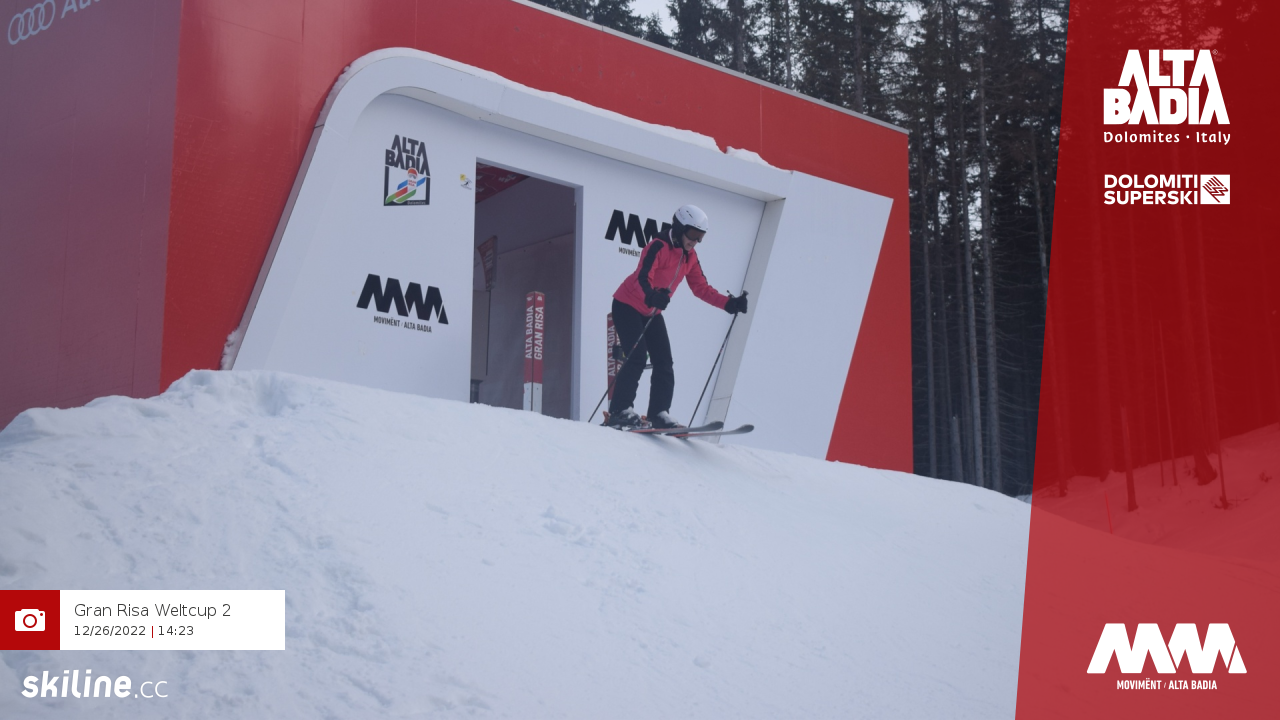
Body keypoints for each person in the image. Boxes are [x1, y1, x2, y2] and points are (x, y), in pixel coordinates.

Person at [606, 204, 748, 430]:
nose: (695, 241)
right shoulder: (658, 246)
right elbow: (643, 277)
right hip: (627, 305)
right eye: (692, 234)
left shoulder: (690, 257)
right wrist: (651, 296)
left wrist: (728, 303)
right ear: (680, 228)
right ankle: (620, 411)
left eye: (700, 237)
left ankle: (658, 413)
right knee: (637, 356)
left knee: (664, 361)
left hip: (652, 311)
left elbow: (701, 288)